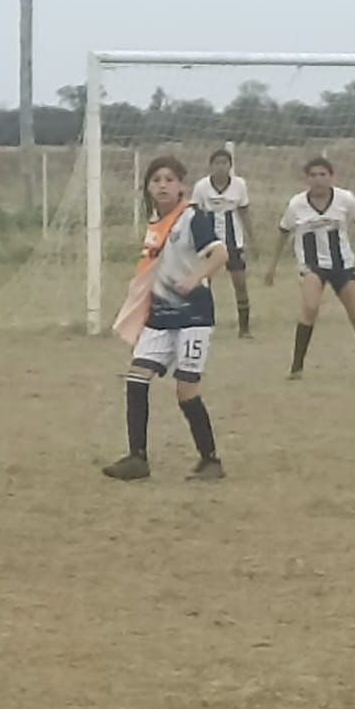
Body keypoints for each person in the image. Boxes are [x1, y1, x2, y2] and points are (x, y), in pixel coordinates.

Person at [104, 156, 228, 482]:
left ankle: (210, 460)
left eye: (169, 179)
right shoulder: (154, 225)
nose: (162, 185)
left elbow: (221, 254)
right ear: (147, 187)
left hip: (193, 317)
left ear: (182, 186)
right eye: (156, 179)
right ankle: (137, 458)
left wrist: (195, 278)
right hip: (159, 318)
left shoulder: (191, 218)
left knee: (186, 391)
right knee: (136, 379)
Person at [264, 157, 355, 379]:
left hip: (342, 265)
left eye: (323, 175)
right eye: (313, 175)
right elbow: (283, 233)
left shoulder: (345, 199)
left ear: (331, 177)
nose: (318, 180)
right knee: (310, 307)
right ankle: (296, 368)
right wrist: (271, 266)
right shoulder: (296, 204)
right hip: (312, 266)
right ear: (306, 179)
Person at [190, 149, 254, 338]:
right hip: (209, 242)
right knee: (204, 283)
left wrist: (252, 238)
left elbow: (244, 212)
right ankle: (202, 324)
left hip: (233, 241)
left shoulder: (239, 185)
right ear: (211, 166)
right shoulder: (201, 186)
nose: (220, 167)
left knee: (240, 283)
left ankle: (244, 328)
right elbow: (194, 213)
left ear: (230, 166)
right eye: (216, 163)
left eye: (224, 163)